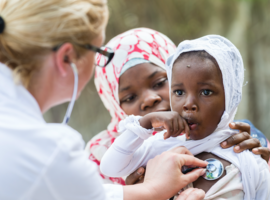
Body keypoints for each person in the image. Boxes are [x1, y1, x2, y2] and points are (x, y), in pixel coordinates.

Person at [0, 1, 208, 200]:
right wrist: (151, 191)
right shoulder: (51, 150)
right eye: (99, 51)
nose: (149, 100)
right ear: (67, 58)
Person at [85, 28, 270, 185]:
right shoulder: (99, 155)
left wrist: (260, 165)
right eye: (130, 97)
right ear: (115, 106)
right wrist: (135, 193)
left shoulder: (235, 136)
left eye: (160, 82)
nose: (149, 99)